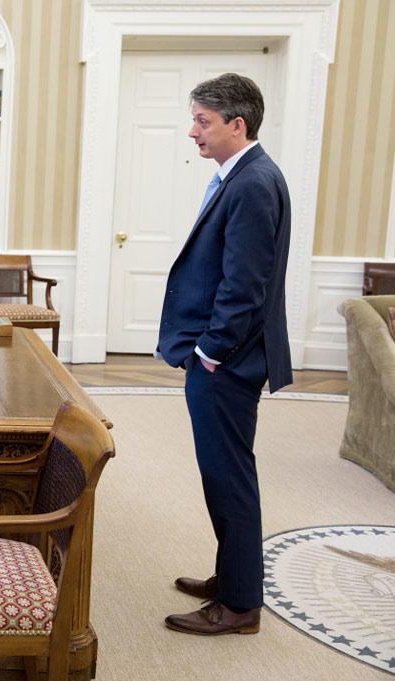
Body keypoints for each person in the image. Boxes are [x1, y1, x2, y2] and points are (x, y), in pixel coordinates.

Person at [157, 73, 292, 636]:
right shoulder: (243, 176)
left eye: (203, 121)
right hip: (226, 357)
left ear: (238, 124)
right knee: (224, 477)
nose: (193, 132)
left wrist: (210, 352)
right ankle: (234, 576)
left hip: (228, 362)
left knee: (229, 478)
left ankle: (239, 607)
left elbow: (245, 284)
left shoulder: (254, 182)